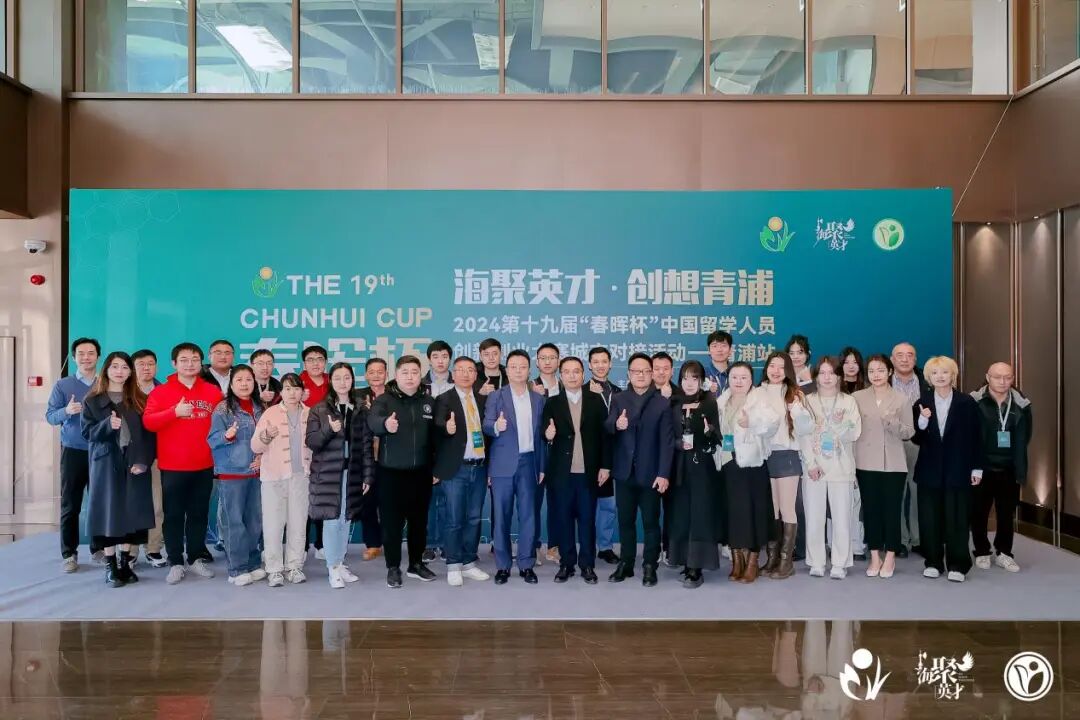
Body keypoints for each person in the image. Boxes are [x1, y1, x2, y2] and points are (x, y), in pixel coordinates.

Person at [143, 342, 223, 584]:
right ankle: (176, 561)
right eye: (184, 360)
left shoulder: (212, 392)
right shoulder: (161, 392)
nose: (190, 364)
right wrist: (174, 413)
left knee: (199, 514)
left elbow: (223, 422)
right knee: (174, 516)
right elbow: (149, 422)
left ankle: (196, 557)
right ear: (174, 363)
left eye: (195, 360)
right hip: (173, 466)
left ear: (201, 363)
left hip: (204, 465)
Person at [80, 352, 156, 587]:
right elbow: (87, 433)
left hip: (135, 464)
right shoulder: (92, 400)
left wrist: (143, 461)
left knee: (131, 513)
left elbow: (150, 436)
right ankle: (110, 566)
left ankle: (125, 564)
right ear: (106, 370)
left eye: (124, 367)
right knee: (109, 514)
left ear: (131, 372)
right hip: (106, 465)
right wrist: (106, 425)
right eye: (115, 366)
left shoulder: (140, 399)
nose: (120, 371)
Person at [368, 355, 437, 588]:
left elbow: (436, 438)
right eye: (405, 372)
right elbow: (372, 421)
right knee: (392, 524)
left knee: (419, 523)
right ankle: (393, 567)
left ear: (420, 375)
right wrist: (385, 425)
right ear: (396, 375)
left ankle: (416, 564)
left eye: (414, 372)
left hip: (421, 473)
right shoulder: (384, 400)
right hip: (391, 473)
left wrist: (436, 466)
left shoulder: (429, 402)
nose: (410, 377)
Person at [604, 353, 673, 587]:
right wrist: (617, 424)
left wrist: (663, 473)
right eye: (636, 371)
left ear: (652, 374)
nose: (641, 375)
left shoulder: (662, 402)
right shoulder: (619, 399)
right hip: (624, 473)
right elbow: (607, 426)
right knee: (625, 521)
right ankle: (626, 563)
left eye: (645, 371)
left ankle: (650, 565)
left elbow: (667, 442)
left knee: (651, 522)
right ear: (629, 374)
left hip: (651, 474)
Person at [912, 356, 982, 583]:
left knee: (957, 518)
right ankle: (933, 562)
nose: (940, 376)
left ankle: (958, 564)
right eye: (935, 373)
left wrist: (977, 468)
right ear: (928, 377)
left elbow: (977, 437)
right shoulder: (921, 403)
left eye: (944, 372)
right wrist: (922, 422)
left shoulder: (967, 403)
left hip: (959, 469)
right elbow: (917, 439)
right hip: (929, 470)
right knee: (929, 519)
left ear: (953, 375)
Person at [541, 356, 610, 585]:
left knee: (587, 521)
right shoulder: (552, 402)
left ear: (583, 374)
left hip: (588, 472)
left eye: (576, 371)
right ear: (561, 375)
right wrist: (547, 434)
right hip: (561, 474)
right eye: (567, 372)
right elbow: (544, 431)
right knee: (564, 520)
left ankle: (587, 565)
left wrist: (605, 465)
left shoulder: (595, 400)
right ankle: (567, 564)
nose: (572, 376)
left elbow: (605, 437)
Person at [306, 362, 374, 589]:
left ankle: (339, 562)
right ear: (331, 381)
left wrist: (367, 476)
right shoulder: (319, 409)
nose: (342, 382)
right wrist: (330, 429)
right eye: (337, 378)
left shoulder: (360, 409)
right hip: (328, 475)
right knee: (332, 520)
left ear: (352, 380)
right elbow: (312, 442)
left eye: (347, 377)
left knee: (346, 519)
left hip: (352, 473)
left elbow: (366, 446)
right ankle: (332, 567)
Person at [483, 349, 546, 585]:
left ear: (529, 370)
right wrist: (496, 426)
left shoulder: (538, 399)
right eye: (513, 367)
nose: (518, 371)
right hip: (502, 464)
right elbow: (486, 425)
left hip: (529, 462)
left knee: (529, 515)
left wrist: (541, 466)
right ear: (507, 370)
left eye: (523, 367)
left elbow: (541, 436)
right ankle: (503, 566)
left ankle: (526, 564)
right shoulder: (496, 396)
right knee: (501, 516)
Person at [798, 357, 861, 580]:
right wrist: (810, 463)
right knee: (814, 517)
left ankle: (839, 563)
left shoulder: (848, 401)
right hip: (814, 467)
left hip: (841, 465)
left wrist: (838, 425)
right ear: (815, 377)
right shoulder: (807, 401)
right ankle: (816, 561)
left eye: (831, 373)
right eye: (822, 373)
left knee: (842, 517)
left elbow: (854, 431)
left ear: (839, 377)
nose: (827, 377)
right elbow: (802, 435)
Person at [716, 362, 779, 584]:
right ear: (728, 379)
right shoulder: (722, 400)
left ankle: (752, 561)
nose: (739, 381)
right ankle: (737, 561)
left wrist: (751, 422)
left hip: (752, 465)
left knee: (754, 513)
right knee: (732, 512)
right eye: (734, 377)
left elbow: (773, 424)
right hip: (728, 463)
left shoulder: (759, 399)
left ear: (751, 380)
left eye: (744, 377)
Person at [853, 354, 914, 579]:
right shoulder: (857, 397)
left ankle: (890, 555)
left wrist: (892, 423)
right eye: (871, 371)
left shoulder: (901, 399)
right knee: (871, 510)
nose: (876, 375)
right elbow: (853, 429)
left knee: (891, 510)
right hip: (865, 461)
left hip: (893, 463)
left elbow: (909, 432)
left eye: (880, 370)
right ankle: (874, 555)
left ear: (889, 372)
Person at [432, 357, 491, 586]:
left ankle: (468, 562)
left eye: (470, 370)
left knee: (474, 518)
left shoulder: (483, 399)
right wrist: (445, 427)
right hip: (456, 468)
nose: (466, 374)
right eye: (461, 370)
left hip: (479, 467)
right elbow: (435, 427)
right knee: (454, 519)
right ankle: (453, 564)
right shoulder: (444, 399)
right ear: (453, 374)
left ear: (476, 375)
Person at [46, 337, 102, 572]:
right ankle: (69, 554)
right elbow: (50, 416)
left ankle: (99, 549)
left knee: (100, 503)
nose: (86, 357)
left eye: (91, 353)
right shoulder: (63, 385)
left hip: (101, 452)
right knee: (71, 504)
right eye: (81, 353)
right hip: (73, 451)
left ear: (98, 356)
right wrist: (66, 411)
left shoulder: (105, 383)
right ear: (74, 357)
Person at [207, 365, 266, 587]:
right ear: (231, 385)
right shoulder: (223, 409)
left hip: (257, 473)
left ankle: (252, 562)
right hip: (232, 473)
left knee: (254, 521)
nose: (244, 384)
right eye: (239, 380)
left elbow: (268, 439)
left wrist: (262, 456)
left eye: (248, 379)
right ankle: (237, 568)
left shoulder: (261, 408)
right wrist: (227, 435)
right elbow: (212, 440)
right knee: (234, 523)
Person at [251, 373, 312, 587]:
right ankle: (274, 569)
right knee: (273, 524)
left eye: (296, 388)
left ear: (302, 391)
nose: (292, 393)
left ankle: (294, 566)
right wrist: (266, 435)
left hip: (301, 477)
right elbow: (255, 446)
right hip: (274, 477)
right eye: (287, 389)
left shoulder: (310, 413)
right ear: (281, 392)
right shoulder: (270, 413)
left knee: (298, 523)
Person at [970, 362, 1032, 573]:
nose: (1003, 382)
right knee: (979, 512)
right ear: (988, 377)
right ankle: (981, 551)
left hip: (1009, 467)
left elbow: (1026, 435)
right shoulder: (975, 401)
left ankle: (1004, 552)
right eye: (997, 377)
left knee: (1006, 514)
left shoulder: (1021, 404)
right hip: (981, 466)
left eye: (1008, 377)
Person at [668, 361, 723, 589]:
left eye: (694, 378)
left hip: (701, 467)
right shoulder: (673, 402)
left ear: (701, 381)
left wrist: (709, 432)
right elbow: (666, 436)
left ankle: (696, 567)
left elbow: (717, 437)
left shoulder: (709, 402)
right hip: (678, 467)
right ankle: (684, 560)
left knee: (700, 514)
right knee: (681, 514)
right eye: (685, 378)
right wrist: (678, 444)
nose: (689, 383)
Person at [758, 351, 807, 580]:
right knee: (773, 509)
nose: (776, 371)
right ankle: (772, 558)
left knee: (787, 508)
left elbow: (806, 429)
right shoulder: (757, 392)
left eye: (781, 366)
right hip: (765, 456)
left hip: (787, 455)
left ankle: (786, 562)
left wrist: (797, 412)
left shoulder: (795, 394)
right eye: (772, 366)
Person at [891, 341, 931, 558]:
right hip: (892, 443)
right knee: (897, 492)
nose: (905, 359)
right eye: (900, 355)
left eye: (909, 355)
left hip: (920, 444)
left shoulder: (927, 382)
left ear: (915, 359)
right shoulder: (883, 381)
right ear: (892, 359)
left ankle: (918, 539)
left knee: (919, 492)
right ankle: (900, 539)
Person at [132, 348, 167, 568]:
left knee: (157, 505)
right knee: (132, 504)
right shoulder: (125, 391)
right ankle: (130, 551)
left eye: (150, 364)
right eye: (141, 364)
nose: (146, 368)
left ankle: (153, 548)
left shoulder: (164, 391)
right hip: (131, 457)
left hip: (158, 455)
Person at [587, 346, 621, 565]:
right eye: (596, 362)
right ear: (589, 365)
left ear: (610, 364)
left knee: (608, 505)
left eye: (604, 361)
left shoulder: (619, 392)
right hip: (589, 457)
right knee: (587, 505)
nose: (600, 365)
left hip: (615, 457)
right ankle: (587, 545)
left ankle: (605, 547)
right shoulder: (582, 392)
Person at [422, 341, 454, 564]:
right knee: (429, 500)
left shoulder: (459, 381)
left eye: (444, 356)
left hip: (451, 448)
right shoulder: (420, 384)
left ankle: (446, 543)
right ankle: (430, 544)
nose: (440, 361)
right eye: (436, 356)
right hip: (425, 449)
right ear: (429, 359)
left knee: (449, 500)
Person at [532, 342, 563, 564]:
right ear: (537, 362)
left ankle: (554, 546)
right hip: (536, 453)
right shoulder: (529, 386)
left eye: (552, 357)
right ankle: (533, 546)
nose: (548, 361)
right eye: (543, 358)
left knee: (558, 503)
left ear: (558, 361)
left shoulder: (567, 386)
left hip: (561, 454)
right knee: (532, 502)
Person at [354, 357, 386, 561]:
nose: (376, 375)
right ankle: (373, 544)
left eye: (380, 371)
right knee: (367, 502)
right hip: (365, 457)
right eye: (371, 372)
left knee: (390, 503)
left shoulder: (394, 395)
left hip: (390, 456)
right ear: (366, 375)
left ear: (386, 374)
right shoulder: (356, 396)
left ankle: (389, 540)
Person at [839, 346, 869, 561]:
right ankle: (837, 542)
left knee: (859, 499)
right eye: (846, 362)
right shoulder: (832, 387)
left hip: (863, 450)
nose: (851, 366)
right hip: (837, 452)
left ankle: (858, 543)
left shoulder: (867, 388)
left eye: (855, 362)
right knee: (838, 499)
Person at [300, 344, 330, 559]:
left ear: (325, 362)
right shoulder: (296, 383)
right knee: (302, 500)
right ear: (304, 363)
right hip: (302, 448)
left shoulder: (333, 381)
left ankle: (321, 544)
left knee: (323, 497)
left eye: (319, 359)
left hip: (328, 447)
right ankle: (301, 546)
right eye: (310, 359)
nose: (315, 363)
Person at [652, 350, 681, 567]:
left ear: (672, 371)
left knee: (673, 510)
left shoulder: (681, 394)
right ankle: (654, 549)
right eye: (657, 369)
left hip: (674, 462)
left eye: (665, 369)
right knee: (651, 511)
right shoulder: (643, 393)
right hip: (650, 462)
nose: (661, 373)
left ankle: (671, 548)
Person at [704, 330, 733, 396]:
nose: (719, 350)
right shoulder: (701, 374)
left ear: (730, 350)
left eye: (723, 345)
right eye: (715, 346)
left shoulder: (737, 373)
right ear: (709, 350)